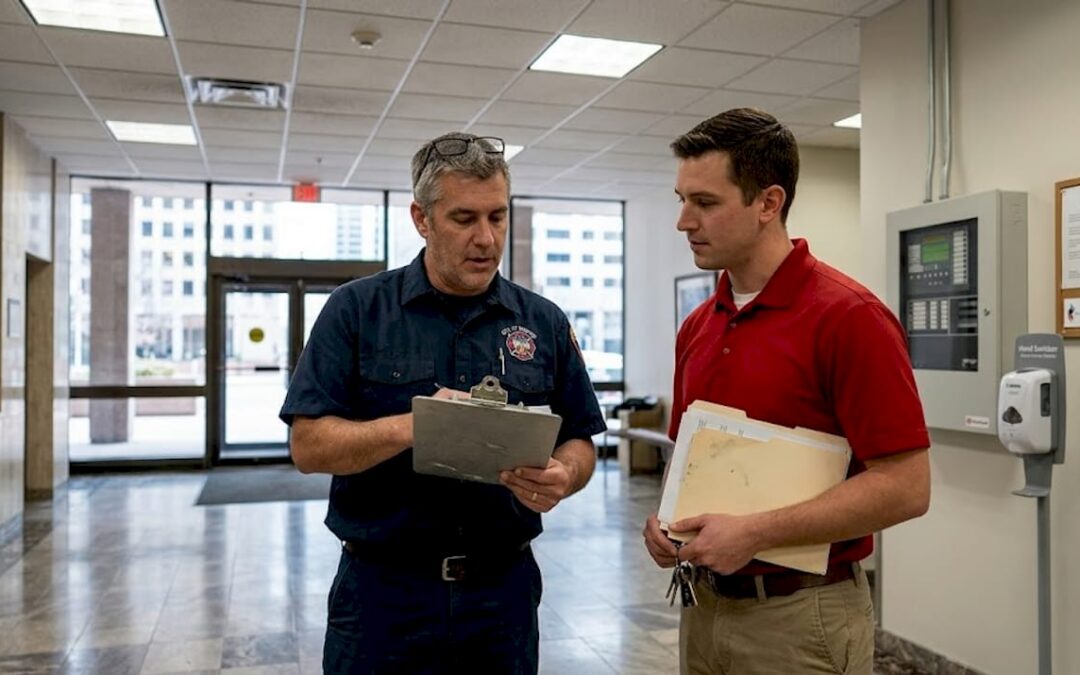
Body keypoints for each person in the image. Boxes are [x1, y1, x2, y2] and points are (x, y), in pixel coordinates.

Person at [280, 132, 606, 674]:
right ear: (421, 218)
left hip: (502, 598)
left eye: (498, 217)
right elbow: (309, 446)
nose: (486, 238)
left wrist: (565, 475)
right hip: (383, 598)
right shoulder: (355, 312)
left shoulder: (542, 321)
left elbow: (579, 438)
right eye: (464, 219)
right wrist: (416, 427)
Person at [642, 108, 931, 674]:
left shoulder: (851, 318)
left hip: (803, 617)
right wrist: (668, 524)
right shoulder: (698, 326)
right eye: (680, 198)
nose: (682, 221)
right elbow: (696, 460)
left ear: (768, 204)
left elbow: (907, 487)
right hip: (704, 609)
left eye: (704, 203)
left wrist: (755, 533)